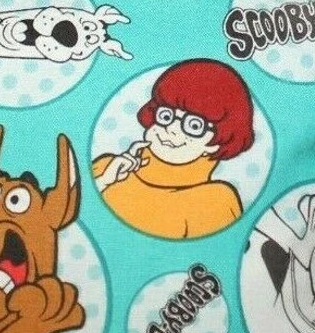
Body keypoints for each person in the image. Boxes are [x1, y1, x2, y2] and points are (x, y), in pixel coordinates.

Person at [92, 60, 256, 239]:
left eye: (194, 125)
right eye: (166, 115)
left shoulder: (213, 200)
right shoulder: (108, 168)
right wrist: (104, 181)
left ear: (218, 140)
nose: (171, 129)